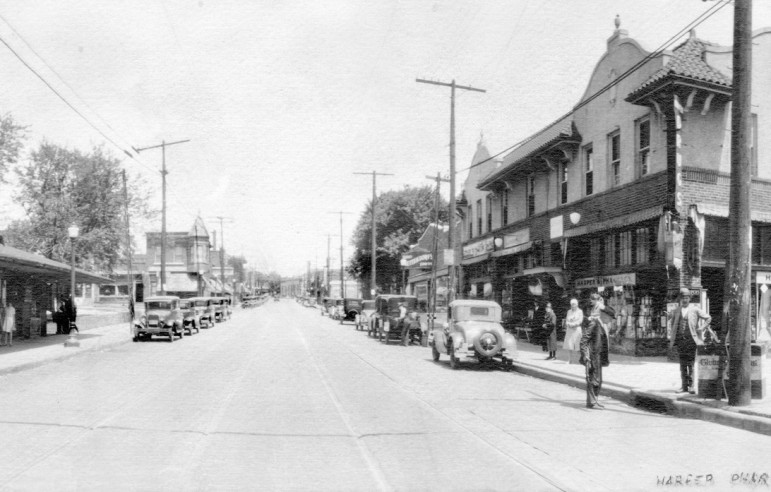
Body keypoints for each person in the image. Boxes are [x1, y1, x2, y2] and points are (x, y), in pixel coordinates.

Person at [668, 287, 711, 394]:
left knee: (691, 364)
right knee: (682, 364)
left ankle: (691, 386)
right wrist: (673, 337)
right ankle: (684, 386)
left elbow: (708, 318)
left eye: (687, 297)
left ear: (689, 299)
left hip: (691, 340)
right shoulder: (676, 311)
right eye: (683, 297)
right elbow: (673, 324)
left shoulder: (695, 310)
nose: (685, 299)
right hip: (680, 341)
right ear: (680, 299)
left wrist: (702, 328)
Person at [580, 316, 608, 409]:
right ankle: (591, 402)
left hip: (598, 356)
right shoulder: (594, 324)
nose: (610, 319)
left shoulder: (600, 324)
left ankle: (594, 401)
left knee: (598, 380)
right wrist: (585, 355)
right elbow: (584, 339)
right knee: (593, 379)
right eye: (610, 317)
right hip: (593, 356)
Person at [563, 298, 584, 364]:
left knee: (578, 345)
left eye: (574, 304)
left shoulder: (580, 311)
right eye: (572, 304)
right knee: (569, 345)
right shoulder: (569, 311)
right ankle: (569, 360)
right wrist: (568, 324)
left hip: (577, 329)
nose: (573, 306)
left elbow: (580, 320)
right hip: (570, 329)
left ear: (577, 304)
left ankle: (581, 359)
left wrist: (574, 324)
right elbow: (566, 320)